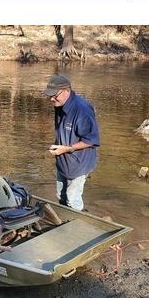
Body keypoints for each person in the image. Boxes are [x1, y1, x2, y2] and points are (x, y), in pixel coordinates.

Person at [45, 75, 101, 212]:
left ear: (66, 90)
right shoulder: (59, 104)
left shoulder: (82, 110)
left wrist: (66, 148)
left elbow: (91, 140)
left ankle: (79, 225)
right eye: (49, 96)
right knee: (60, 195)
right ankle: (65, 220)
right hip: (63, 161)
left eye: (54, 95)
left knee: (72, 197)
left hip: (79, 163)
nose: (51, 99)